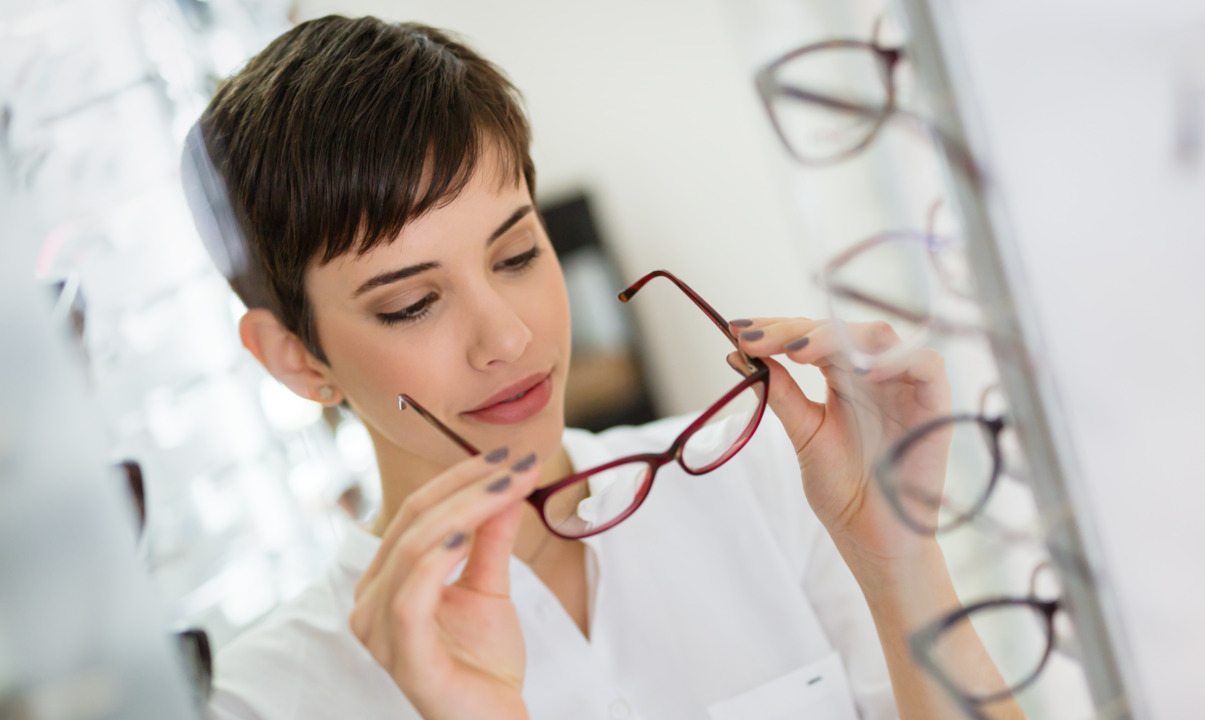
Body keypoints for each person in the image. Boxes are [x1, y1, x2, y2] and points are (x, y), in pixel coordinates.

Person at [188, 14, 1023, 720]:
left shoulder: (769, 481)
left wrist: (898, 562)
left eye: (515, 254)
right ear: (297, 360)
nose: (508, 337)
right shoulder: (264, 699)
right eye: (412, 304)